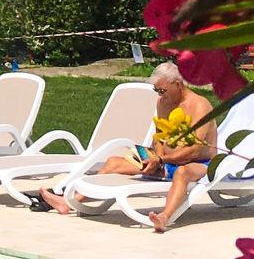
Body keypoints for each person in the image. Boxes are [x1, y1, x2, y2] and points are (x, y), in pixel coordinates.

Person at [35, 61, 216, 230]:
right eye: (156, 91)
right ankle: (68, 203)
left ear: (178, 84)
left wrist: (161, 158)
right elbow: (160, 136)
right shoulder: (163, 102)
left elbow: (196, 149)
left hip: (201, 164)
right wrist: (155, 159)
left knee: (182, 172)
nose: (160, 95)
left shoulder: (199, 105)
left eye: (162, 90)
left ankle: (164, 217)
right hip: (166, 162)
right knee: (114, 162)